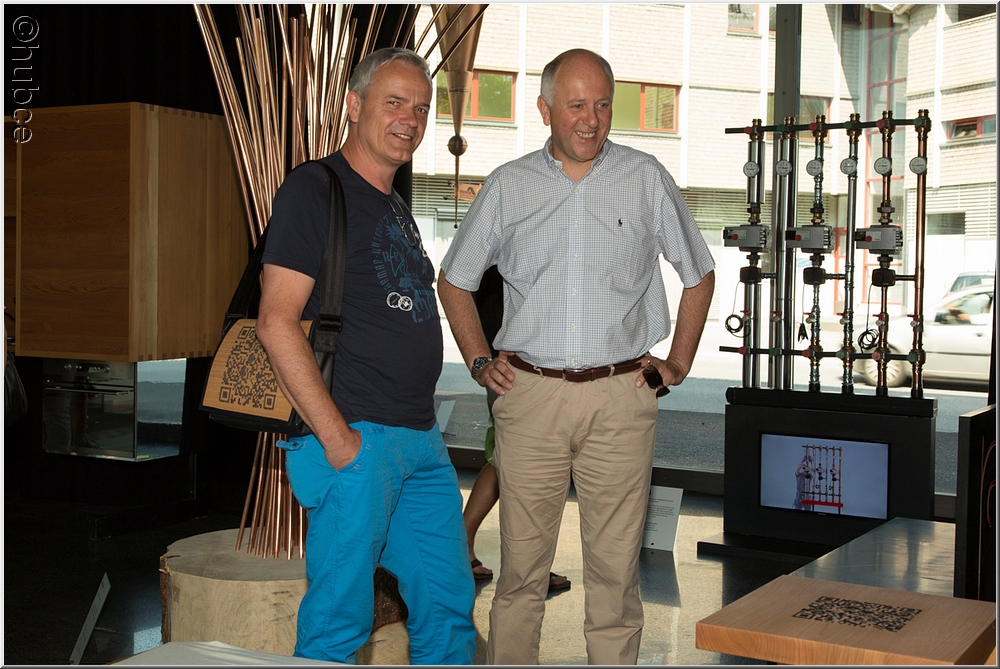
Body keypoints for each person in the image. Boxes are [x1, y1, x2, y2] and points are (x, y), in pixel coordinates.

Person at [437, 48, 716, 664]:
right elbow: (453, 280)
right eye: (576, 105)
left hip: (622, 397)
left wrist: (678, 362)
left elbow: (698, 272)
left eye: (603, 105)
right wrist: (480, 361)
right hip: (530, 396)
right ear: (545, 111)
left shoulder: (646, 178)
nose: (591, 120)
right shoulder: (509, 185)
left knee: (616, 578)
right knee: (521, 575)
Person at [256, 47, 475, 665]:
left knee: (448, 604)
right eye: (394, 102)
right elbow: (276, 322)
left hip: (419, 441)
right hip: (357, 439)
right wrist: (339, 442)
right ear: (354, 106)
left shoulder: (395, 205)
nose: (411, 118)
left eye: (422, 108)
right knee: (338, 622)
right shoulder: (314, 188)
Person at [464, 266, 571, 593]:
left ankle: (468, 544)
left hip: (513, 368)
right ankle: (528, 567)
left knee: (503, 461)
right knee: (520, 465)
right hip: (517, 371)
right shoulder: (508, 252)